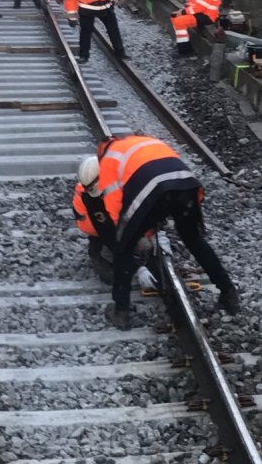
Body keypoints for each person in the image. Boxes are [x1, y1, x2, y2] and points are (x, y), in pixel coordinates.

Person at [77, 136, 240, 330]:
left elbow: (116, 213)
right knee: (193, 239)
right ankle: (229, 293)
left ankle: (121, 311)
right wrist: (148, 232)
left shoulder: (107, 163)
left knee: (123, 248)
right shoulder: (139, 143)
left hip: (154, 189)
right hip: (185, 185)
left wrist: (130, 242)